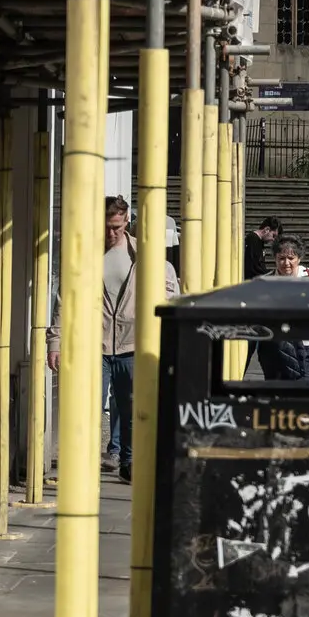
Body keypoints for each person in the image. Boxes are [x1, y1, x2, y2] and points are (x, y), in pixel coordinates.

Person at [48, 196, 179, 483]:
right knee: (88, 408)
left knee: (132, 408)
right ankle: (84, 462)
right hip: (93, 343)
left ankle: (128, 461)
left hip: (133, 344)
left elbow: (169, 296)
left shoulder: (144, 256)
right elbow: (63, 300)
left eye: (117, 227)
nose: (111, 233)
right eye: (106, 227)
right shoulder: (85, 255)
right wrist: (55, 341)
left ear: (127, 222)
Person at [255, 237, 309, 381]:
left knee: (306, 391)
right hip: (274, 347)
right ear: (275, 258)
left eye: (291, 258)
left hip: (307, 344)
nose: (286, 263)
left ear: (299, 258)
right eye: (281, 258)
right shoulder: (265, 282)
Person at [244, 214, 280, 282]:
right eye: (273, 236)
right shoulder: (253, 240)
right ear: (267, 229)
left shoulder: (258, 241)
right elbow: (253, 267)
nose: (273, 240)